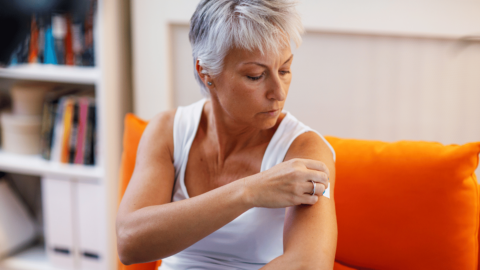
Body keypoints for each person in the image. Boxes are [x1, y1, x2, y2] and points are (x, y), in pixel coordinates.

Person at [116, 0, 337, 269]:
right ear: (206, 73)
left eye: (284, 70)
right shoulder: (167, 131)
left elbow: (308, 264)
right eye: (256, 76)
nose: (279, 93)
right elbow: (128, 243)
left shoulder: (305, 149)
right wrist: (249, 191)